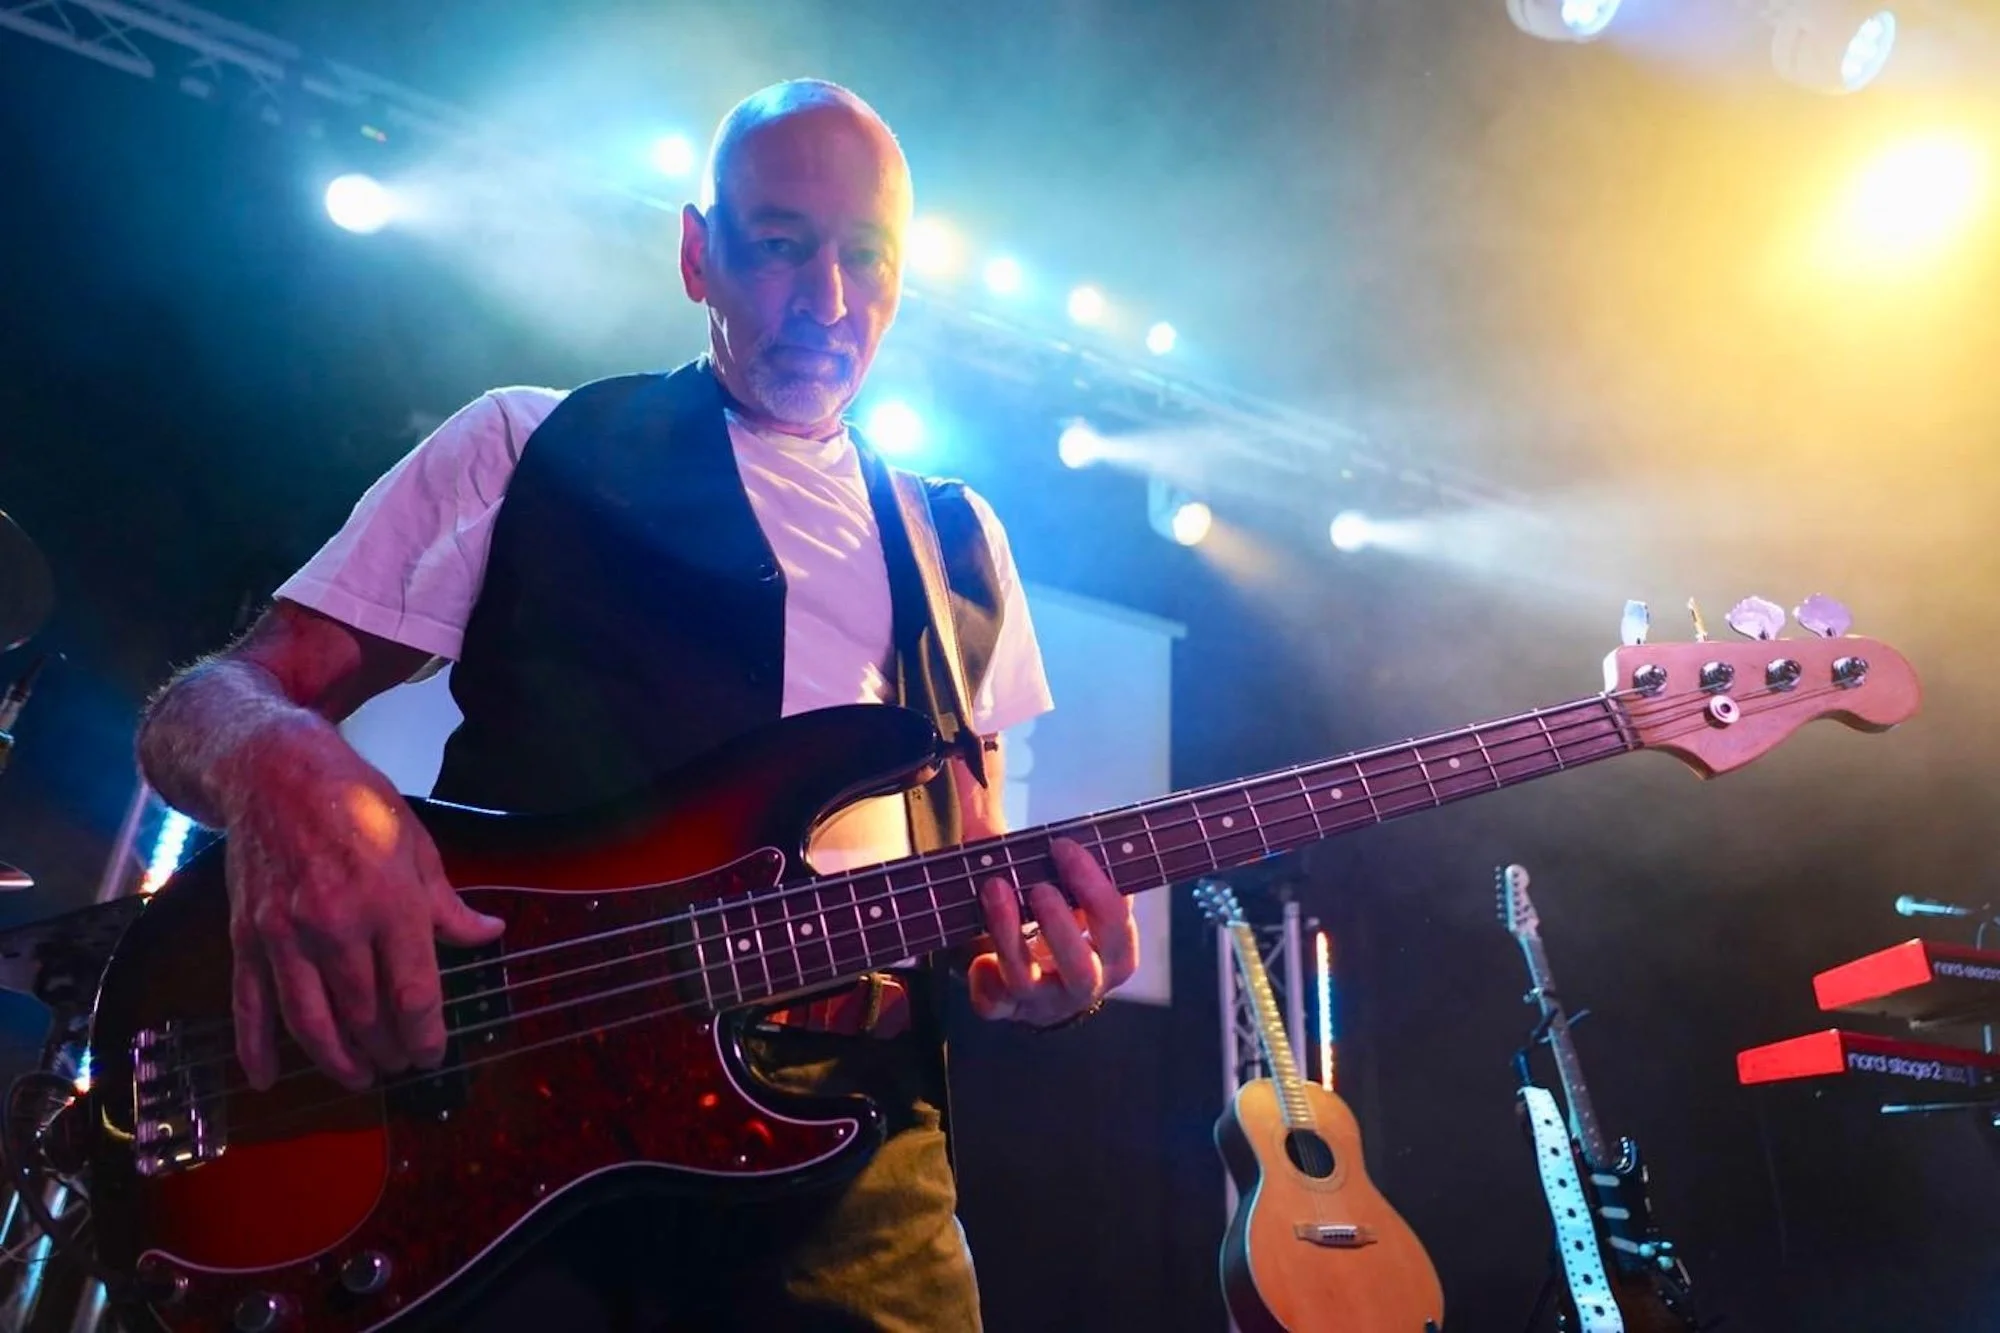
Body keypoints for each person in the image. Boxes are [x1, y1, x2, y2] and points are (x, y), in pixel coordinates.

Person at [135, 79, 1138, 1331]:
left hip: (854, 1164)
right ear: (694, 252)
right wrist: (287, 769)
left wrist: (1034, 963)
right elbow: (207, 706)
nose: (827, 301)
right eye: (780, 246)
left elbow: (974, 861)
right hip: (512, 1138)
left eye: (866, 257)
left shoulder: (959, 541)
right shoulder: (525, 445)